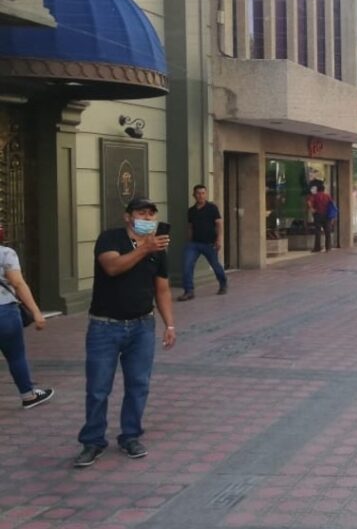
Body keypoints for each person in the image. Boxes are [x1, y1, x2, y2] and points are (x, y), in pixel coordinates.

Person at [76, 198, 176, 468]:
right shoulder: (110, 238)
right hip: (104, 326)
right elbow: (113, 267)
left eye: (151, 214)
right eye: (141, 212)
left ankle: (130, 435)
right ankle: (93, 441)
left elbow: (162, 289)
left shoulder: (158, 249)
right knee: (98, 388)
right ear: (127, 217)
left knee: (138, 384)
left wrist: (169, 324)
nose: (147, 217)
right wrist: (144, 249)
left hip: (142, 326)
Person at [0, 232, 53, 410]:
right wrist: (36, 312)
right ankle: (28, 395)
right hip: (4, 312)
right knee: (16, 356)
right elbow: (17, 283)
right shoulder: (6, 253)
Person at [177, 184, 227, 302]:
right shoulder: (191, 211)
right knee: (187, 265)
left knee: (215, 265)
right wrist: (189, 240)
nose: (201, 195)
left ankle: (223, 284)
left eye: (203, 193)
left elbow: (219, 224)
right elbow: (190, 227)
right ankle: (189, 291)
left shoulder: (212, 208)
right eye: (198, 193)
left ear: (206, 194)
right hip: (193, 244)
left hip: (209, 243)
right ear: (194, 195)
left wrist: (219, 240)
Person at [307, 181, 334, 253]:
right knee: (327, 231)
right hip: (327, 215)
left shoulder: (315, 196)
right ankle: (328, 247)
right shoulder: (327, 196)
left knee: (318, 231)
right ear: (324, 189)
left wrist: (312, 209)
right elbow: (331, 204)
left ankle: (317, 248)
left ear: (317, 189)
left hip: (318, 215)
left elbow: (309, 202)